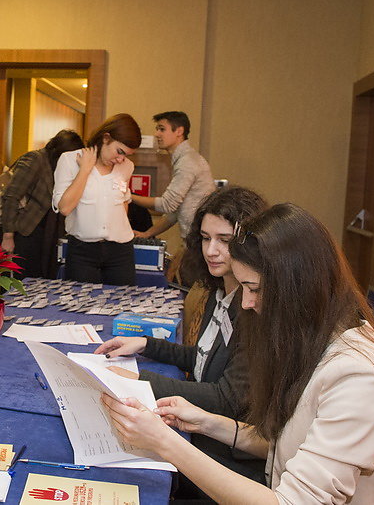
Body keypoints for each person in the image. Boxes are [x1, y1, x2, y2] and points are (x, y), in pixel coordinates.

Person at [102, 204, 374, 504]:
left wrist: (164, 442)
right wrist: (205, 422)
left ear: (297, 287)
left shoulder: (361, 377)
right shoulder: (315, 340)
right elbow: (287, 444)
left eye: (253, 288)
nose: (247, 303)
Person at [95, 186, 268, 488]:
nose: (211, 250)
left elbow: (225, 398)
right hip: (203, 433)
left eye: (224, 241)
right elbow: (204, 357)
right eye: (205, 238)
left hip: (225, 457)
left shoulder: (253, 306)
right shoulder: (220, 289)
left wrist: (135, 377)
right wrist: (147, 345)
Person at [52, 114, 141, 285]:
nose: (121, 159)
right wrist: (85, 170)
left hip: (121, 250)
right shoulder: (70, 160)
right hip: (83, 250)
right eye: (119, 152)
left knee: (120, 305)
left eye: (127, 155)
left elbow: (123, 201)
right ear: (106, 138)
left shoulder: (127, 166)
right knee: (81, 306)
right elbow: (65, 208)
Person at [0, 129, 84, 278]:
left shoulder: (58, 167)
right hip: (24, 233)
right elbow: (11, 197)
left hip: (46, 235)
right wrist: (8, 237)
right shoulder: (35, 159)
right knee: (21, 282)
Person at [132, 111, 214, 241]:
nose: (156, 134)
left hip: (199, 241)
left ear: (179, 131)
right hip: (194, 239)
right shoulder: (183, 159)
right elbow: (173, 213)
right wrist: (147, 234)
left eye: (162, 129)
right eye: (157, 129)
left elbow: (167, 205)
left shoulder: (187, 162)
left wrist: (128, 196)